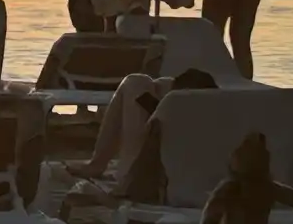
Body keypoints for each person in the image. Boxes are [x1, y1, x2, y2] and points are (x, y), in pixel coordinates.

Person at [67, 67, 220, 185]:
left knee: (136, 81)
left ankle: (97, 164)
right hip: (189, 179)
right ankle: (97, 164)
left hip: (146, 179)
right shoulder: (221, 125)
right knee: (139, 83)